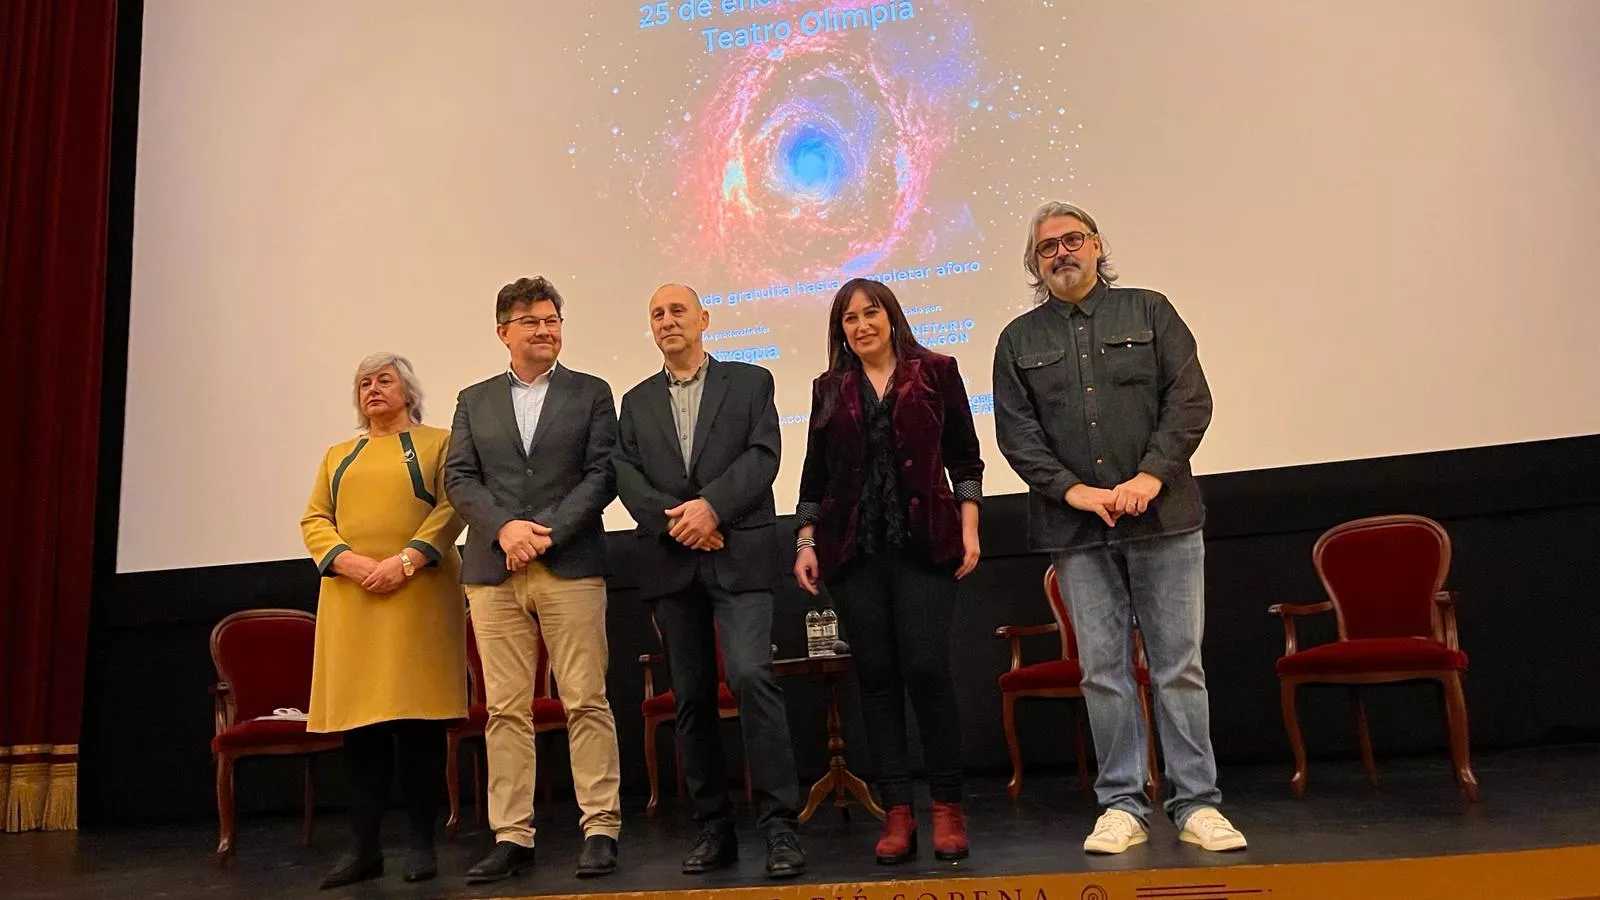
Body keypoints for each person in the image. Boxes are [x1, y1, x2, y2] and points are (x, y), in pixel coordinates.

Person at [992, 202, 1245, 855]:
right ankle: (1123, 806)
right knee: (1102, 672)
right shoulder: (1017, 341)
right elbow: (1017, 435)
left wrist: (1149, 478)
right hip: (1076, 530)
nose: (1061, 253)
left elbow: (1189, 400)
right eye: (1046, 248)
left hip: (1163, 518)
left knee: (1178, 667)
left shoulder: (1150, 310)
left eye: (1072, 240)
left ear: (1098, 246)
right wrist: (1074, 491)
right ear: (1034, 263)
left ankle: (1196, 804)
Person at [613, 284, 807, 879]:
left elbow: (762, 456)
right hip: (674, 563)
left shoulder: (751, 382)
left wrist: (711, 510)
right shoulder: (636, 400)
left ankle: (779, 828)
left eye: (677, 311)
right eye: (656, 314)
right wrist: (682, 522)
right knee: (692, 697)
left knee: (751, 676)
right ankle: (713, 827)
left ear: (704, 319)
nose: (667, 321)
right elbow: (626, 474)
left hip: (740, 555)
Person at [792, 278, 983, 865]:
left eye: (870, 312)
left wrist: (970, 527)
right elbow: (814, 476)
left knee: (927, 669)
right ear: (840, 331)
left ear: (891, 316)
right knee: (875, 679)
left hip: (926, 545)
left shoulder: (937, 370)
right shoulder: (829, 388)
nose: (861, 325)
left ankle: (946, 807)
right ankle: (897, 812)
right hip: (853, 552)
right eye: (849, 319)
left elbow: (965, 456)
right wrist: (805, 540)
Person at [443, 276, 623, 883]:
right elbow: (461, 479)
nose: (546, 330)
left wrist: (540, 532)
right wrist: (505, 531)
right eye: (532, 322)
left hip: (568, 563)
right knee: (505, 711)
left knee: (586, 699)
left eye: (552, 319)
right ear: (504, 333)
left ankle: (600, 826)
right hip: (493, 574)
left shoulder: (592, 392)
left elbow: (602, 475)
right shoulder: (474, 398)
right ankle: (512, 835)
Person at [300, 352, 466, 889]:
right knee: (362, 731)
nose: (373, 389)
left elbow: (451, 508)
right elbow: (315, 518)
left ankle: (422, 846)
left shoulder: (439, 443)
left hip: (418, 594)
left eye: (384, 380)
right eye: (364, 383)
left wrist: (406, 560)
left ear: (408, 390)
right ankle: (363, 849)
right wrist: (349, 562)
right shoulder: (337, 455)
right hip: (352, 600)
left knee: (417, 725)